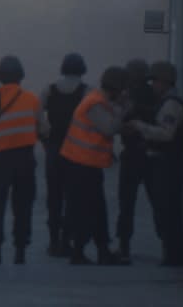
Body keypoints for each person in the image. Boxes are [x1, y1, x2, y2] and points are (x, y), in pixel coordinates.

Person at [0, 56, 46, 265]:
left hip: (0, 160)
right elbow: (44, 129)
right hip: (25, 159)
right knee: (23, 206)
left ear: (0, 77)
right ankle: (20, 250)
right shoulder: (32, 99)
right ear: (21, 76)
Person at [125, 61, 183, 267]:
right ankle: (173, 254)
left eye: (154, 81)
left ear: (164, 81)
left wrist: (140, 126)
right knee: (167, 210)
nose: (152, 85)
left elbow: (166, 134)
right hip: (167, 163)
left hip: (168, 165)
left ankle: (174, 256)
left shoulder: (171, 104)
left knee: (169, 211)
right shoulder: (166, 102)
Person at [60, 66, 129, 265]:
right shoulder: (95, 104)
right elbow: (108, 128)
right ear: (116, 88)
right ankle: (81, 251)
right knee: (86, 209)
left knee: (96, 209)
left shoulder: (98, 100)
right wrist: (124, 111)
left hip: (86, 164)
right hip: (81, 164)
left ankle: (99, 250)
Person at [39, 53, 89, 258]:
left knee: (54, 197)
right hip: (77, 150)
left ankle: (53, 242)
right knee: (74, 197)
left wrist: (45, 137)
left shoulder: (49, 90)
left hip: (54, 148)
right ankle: (67, 240)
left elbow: (37, 115)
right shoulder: (87, 91)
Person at [115, 59, 157, 261]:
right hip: (151, 156)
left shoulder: (127, 96)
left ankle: (124, 248)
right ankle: (170, 246)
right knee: (158, 202)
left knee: (126, 205)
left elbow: (119, 120)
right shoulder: (155, 96)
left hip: (132, 154)